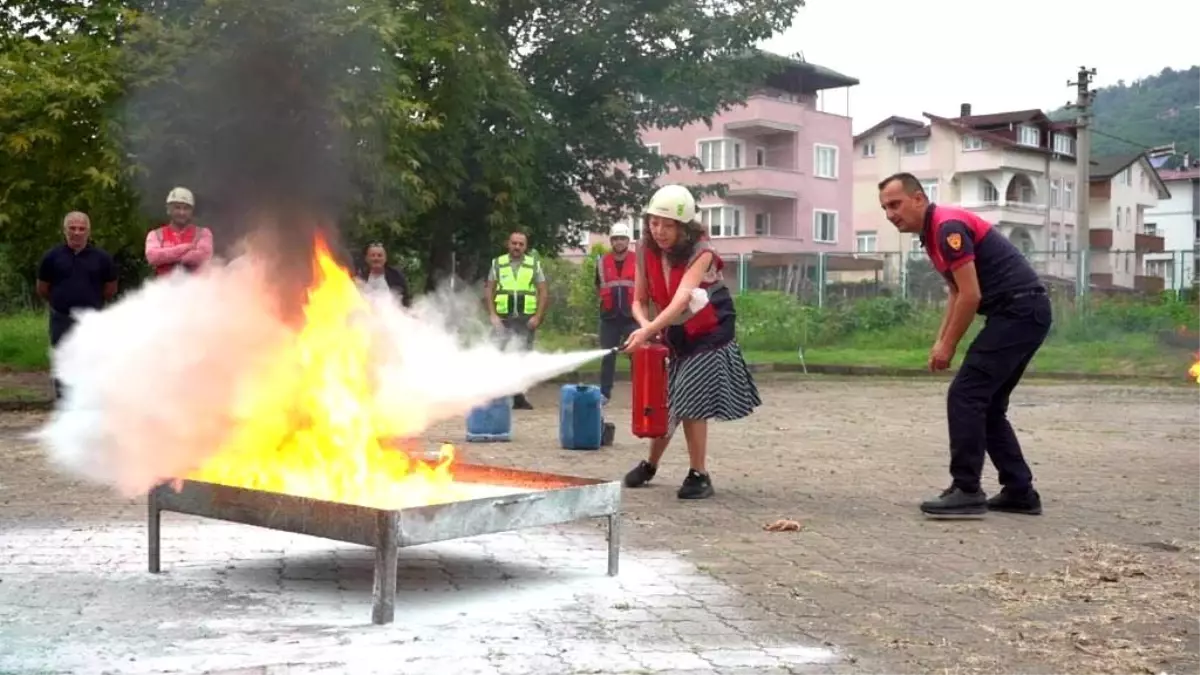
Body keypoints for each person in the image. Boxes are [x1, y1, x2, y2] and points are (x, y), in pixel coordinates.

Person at [878, 172, 1051, 519]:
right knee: (986, 404)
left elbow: (972, 295)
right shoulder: (933, 233)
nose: (890, 214)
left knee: (966, 395)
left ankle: (967, 489)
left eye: (895, 204)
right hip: (1022, 312)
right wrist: (940, 342)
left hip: (1018, 311)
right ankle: (1019, 491)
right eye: (884, 208)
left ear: (918, 199)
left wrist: (949, 347)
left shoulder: (947, 227)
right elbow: (956, 291)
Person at [621, 185, 761, 500]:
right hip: (675, 329)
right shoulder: (644, 249)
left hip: (710, 330)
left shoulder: (702, 252)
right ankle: (650, 465)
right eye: (654, 222)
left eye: (668, 225)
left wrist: (647, 331)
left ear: (684, 227)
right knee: (667, 398)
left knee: (688, 393)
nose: (659, 231)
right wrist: (647, 327)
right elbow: (638, 300)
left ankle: (700, 475)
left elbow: (683, 296)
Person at [36, 211, 118, 399]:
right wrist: (60, 302)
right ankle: (64, 403)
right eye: (72, 228)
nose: (77, 232)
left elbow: (110, 289)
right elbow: (42, 288)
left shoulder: (102, 258)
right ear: (64, 231)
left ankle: (89, 402)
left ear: (88, 232)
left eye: (81, 229)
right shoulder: (51, 257)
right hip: (61, 318)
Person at [485, 231, 548, 410]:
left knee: (522, 357)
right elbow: (489, 289)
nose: (517, 247)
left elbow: (543, 291)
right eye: (514, 243)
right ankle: (497, 396)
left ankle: (519, 397)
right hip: (503, 318)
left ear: (525, 247)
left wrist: (537, 316)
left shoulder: (533, 264)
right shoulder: (497, 263)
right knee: (499, 355)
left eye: (521, 244)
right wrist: (492, 314)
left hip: (525, 319)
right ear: (508, 244)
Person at [594, 222, 636, 403]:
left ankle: (641, 391)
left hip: (632, 317)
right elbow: (598, 285)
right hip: (609, 317)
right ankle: (605, 393)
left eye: (622, 238)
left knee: (637, 355)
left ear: (628, 240)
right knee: (607, 356)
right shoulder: (602, 262)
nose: (619, 242)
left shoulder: (638, 261)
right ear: (611, 241)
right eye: (616, 238)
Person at [145, 186, 214, 276]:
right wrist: (185, 248)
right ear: (169, 209)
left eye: (186, 208)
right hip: (163, 289)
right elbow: (153, 257)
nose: (182, 212)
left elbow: (203, 256)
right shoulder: (155, 234)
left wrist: (166, 256)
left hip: (196, 288)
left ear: (192, 211)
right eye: (177, 208)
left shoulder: (203, 233)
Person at [356, 242, 412, 308]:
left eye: (379, 255)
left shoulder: (396, 276)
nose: (376, 258)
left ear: (385, 258)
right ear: (367, 259)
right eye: (372, 255)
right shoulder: (360, 277)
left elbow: (405, 300)